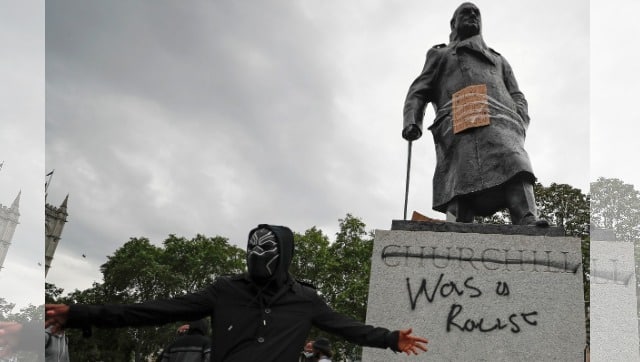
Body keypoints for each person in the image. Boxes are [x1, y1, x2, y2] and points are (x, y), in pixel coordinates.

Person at [46, 224, 428, 361]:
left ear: (284, 256)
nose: (256, 258)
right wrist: (80, 313)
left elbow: (345, 327)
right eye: (252, 250)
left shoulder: (304, 300)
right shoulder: (224, 290)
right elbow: (152, 310)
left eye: (266, 251)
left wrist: (391, 339)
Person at [402, 2, 548, 226]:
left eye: (476, 13)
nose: (472, 15)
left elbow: (517, 94)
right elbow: (418, 91)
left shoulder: (498, 59)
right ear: (454, 23)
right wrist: (412, 121)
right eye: (465, 12)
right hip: (459, 117)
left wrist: (519, 116)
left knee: (516, 161)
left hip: (502, 120)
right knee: (460, 176)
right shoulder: (441, 55)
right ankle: (458, 222)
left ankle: (527, 217)